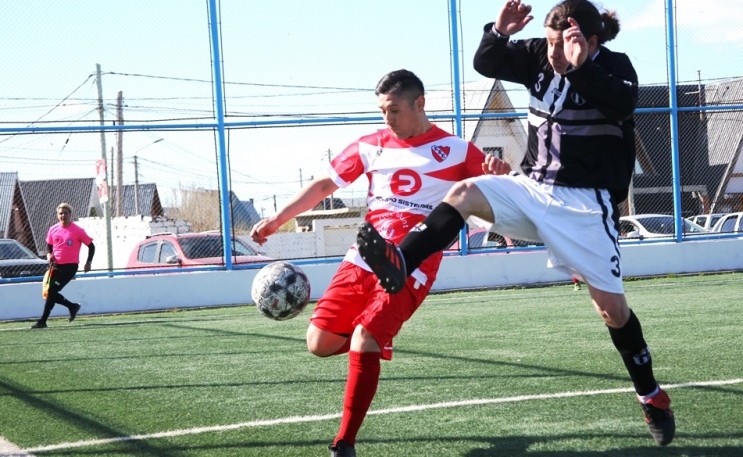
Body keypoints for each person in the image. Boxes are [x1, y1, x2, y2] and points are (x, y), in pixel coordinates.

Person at [356, 0, 675, 447]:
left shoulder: (615, 68)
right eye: (547, 42)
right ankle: (400, 261)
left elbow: (621, 104)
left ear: (590, 40)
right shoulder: (536, 57)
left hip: (586, 206)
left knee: (611, 310)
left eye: (563, 43)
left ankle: (651, 394)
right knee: (465, 193)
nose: (552, 53)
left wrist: (579, 66)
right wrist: (499, 33)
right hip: (532, 187)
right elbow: (486, 61)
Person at [250, 69, 509, 457]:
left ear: (419, 104)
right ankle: (372, 345)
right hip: (363, 258)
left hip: (411, 264)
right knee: (319, 343)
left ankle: (344, 442)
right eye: (381, 111)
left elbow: (497, 192)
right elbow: (324, 186)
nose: (386, 119)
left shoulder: (456, 150)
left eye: (393, 110)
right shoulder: (370, 145)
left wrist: (499, 174)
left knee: (363, 338)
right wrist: (276, 219)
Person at [31, 202, 94, 329]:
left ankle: (43, 321)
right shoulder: (53, 229)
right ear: (57, 215)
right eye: (60, 213)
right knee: (50, 293)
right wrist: (49, 255)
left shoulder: (78, 230)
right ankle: (72, 306)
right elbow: (49, 245)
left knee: (52, 291)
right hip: (56, 266)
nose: (63, 215)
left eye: (65, 213)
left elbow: (91, 246)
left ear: (70, 215)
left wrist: (88, 263)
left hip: (70, 267)